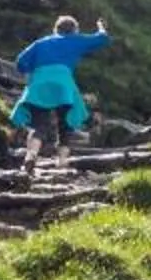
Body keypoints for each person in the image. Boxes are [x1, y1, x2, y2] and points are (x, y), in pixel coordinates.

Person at [11, 13, 111, 173]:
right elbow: (101, 39)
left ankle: (30, 157)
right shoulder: (75, 40)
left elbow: (20, 61)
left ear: (55, 29)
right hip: (63, 85)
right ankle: (62, 163)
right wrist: (101, 27)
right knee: (65, 125)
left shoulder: (40, 42)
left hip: (39, 84)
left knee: (39, 125)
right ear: (74, 30)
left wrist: (32, 71)